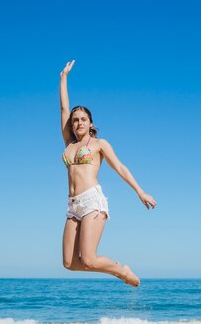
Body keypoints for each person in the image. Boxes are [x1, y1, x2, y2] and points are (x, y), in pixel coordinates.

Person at [59, 60, 156, 287]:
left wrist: (140, 192)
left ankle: (121, 270)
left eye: (83, 119)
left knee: (90, 259)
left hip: (92, 200)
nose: (78, 122)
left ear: (91, 123)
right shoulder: (68, 144)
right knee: (69, 263)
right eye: (75, 120)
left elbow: (120, 167)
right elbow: (64, 108)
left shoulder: (99, 144)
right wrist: (63, 78)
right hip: (73, 205)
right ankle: (114, 270)